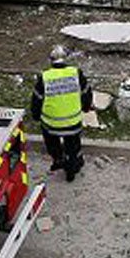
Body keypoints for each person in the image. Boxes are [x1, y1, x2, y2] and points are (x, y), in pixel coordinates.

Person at [29, 45, 92, 182]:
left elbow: (37, 99)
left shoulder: (45, 77)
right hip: (73, 122)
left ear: (51, 60)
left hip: (51, 124)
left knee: (52, 143)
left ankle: (58, 159)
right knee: (73, 145)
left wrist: (35, 115)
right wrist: (86, 107)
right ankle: (73, 167)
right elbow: (86, 93)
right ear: (66, 59)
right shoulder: (76, 73)